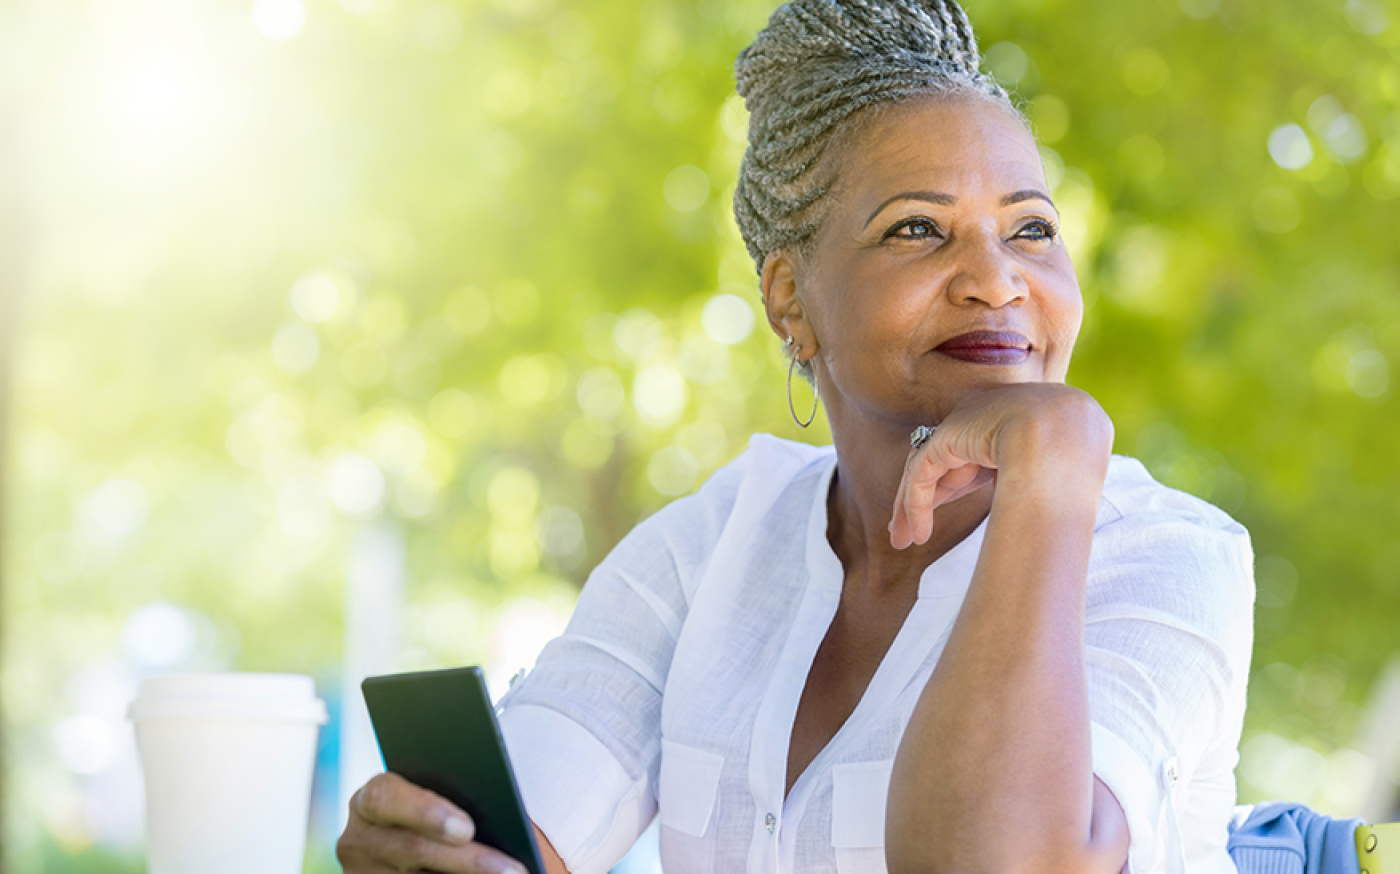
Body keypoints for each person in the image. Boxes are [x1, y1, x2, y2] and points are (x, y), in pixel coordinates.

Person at [335, 0, 1255, 872]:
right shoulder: (712, 550)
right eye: (919, 229)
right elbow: (528, 829)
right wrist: (431, 845)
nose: (996, 279)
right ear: (789, 300)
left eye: (1031, 229)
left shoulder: (1166, 557)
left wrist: (1054, 465)